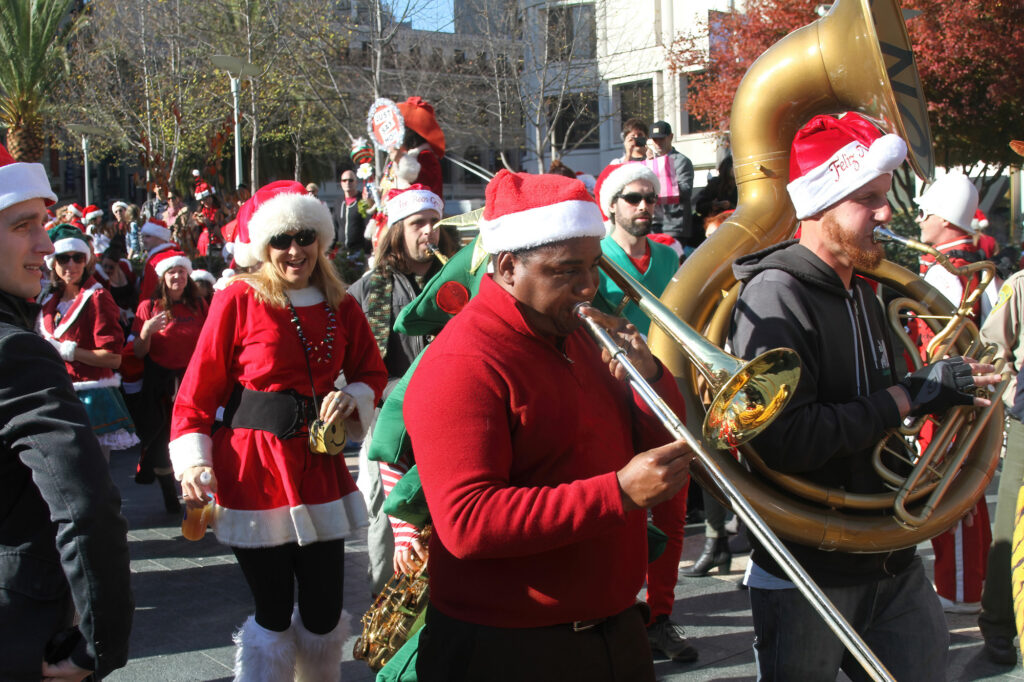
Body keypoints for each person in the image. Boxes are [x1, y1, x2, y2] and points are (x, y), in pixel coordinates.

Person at [729, 112, 1001, 681]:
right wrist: (911, 395)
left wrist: (941, 396)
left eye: (885, 197)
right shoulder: (776, 295)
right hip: (807, 568)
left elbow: (879, 407)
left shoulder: (865, 288)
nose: (886, 213)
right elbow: (785, 441)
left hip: (887, 556)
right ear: (821, 203)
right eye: (868, 199)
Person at [404, 170, 694, 681]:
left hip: (613, 631)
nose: (589, 286)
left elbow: (663, 439)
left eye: (593, 266)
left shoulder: (578, 333)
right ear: (509, 266)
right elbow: (468, 522)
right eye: (567, 271)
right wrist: (618, 494)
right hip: (510, 649)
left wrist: (648, 376)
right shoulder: (462, 360)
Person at [169, 180, 387, 680]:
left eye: (305, 236)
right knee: (270, 610)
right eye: (282, 240)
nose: (295, 250)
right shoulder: (238, 299)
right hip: (254, 470)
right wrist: (194, 460)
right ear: (264, 246)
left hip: (318, 467)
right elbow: (197, 390)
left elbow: (371, 373)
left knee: (324, 611)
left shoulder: (342, 304)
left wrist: (351, 396)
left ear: (321, 239)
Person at [0, 142, 133, 680]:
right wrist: (98, 644)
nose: (45, 244)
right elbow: (86, 505)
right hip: (22, 631)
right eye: (22, 225)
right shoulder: (16, 350)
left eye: (45, 224)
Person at [590, 161, 696, 661]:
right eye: (632, 198)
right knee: (624, 512)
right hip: (611, 399)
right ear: (610, 204)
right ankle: (620, 615)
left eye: (649, 199)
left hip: (664, 393)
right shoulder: (596, 257)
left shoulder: (669, 258)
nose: (643, 207)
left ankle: (661, 616)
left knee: (672, 514)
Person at [347, 185, 453, 593]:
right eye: (418, 224)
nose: (429, 231)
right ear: (397, 231)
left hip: (449, 420)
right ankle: (386, 599)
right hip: (389, 422)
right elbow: (354, 367)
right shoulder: (368, 289)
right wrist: (402, 391)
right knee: (385, 514)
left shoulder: (456, 278)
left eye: (434, 223)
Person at [912, 171, 993, 614]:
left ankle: (959, 589)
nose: (920, 223)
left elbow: (938, 342)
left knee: (949, 494)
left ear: (943, 219)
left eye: (925, 215)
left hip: (948, 398)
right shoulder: (977, 262)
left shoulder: (946, 270)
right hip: (965, 394)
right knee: (965, 493)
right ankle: (967, 583)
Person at [36, 224, 139, 460]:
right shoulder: (49, 298)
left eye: (78, 258)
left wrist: (69, 351)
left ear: (86, 261)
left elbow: (113, 358)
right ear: (53, 263)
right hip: (56, 394)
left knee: (93, 477)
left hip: (91, 396)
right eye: (63, 258)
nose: (71, 265)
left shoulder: (98, 297)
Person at [133, 254, 209, 512]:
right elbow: (138, 352)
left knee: (197, 435)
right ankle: (169, 496)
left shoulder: (199, 304)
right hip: (160, 384)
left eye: (182, 272)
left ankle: (202, 494)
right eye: (171, 272)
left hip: (194, 379)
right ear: (163, 278)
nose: (177, 277)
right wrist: (146, 331)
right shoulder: (149, 306)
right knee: (162, 440)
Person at [977, 265, 1024, 664]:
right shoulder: (1020, 287)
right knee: (1011, 527)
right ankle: (999, 625)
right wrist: (1015, 396)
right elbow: (994, 349)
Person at [649, 121, 696, 250]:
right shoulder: (649, 162)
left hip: (674, 226)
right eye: (655, 139)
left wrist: (662, 181)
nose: (658, 143)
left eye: (661, 139)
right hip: (654, 224)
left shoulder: (681, 161)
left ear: (671, 137)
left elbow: (686, 190)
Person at [335, 168, 368, 253]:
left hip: (359, 252)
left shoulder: (363, 201)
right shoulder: (338, 202)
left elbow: (368, 226)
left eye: (350, 180)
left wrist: (367, 251)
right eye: (344, 180)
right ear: (341, 183)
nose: (347, 183)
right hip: (341, 252)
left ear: (356, 182)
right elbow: (334, 227)